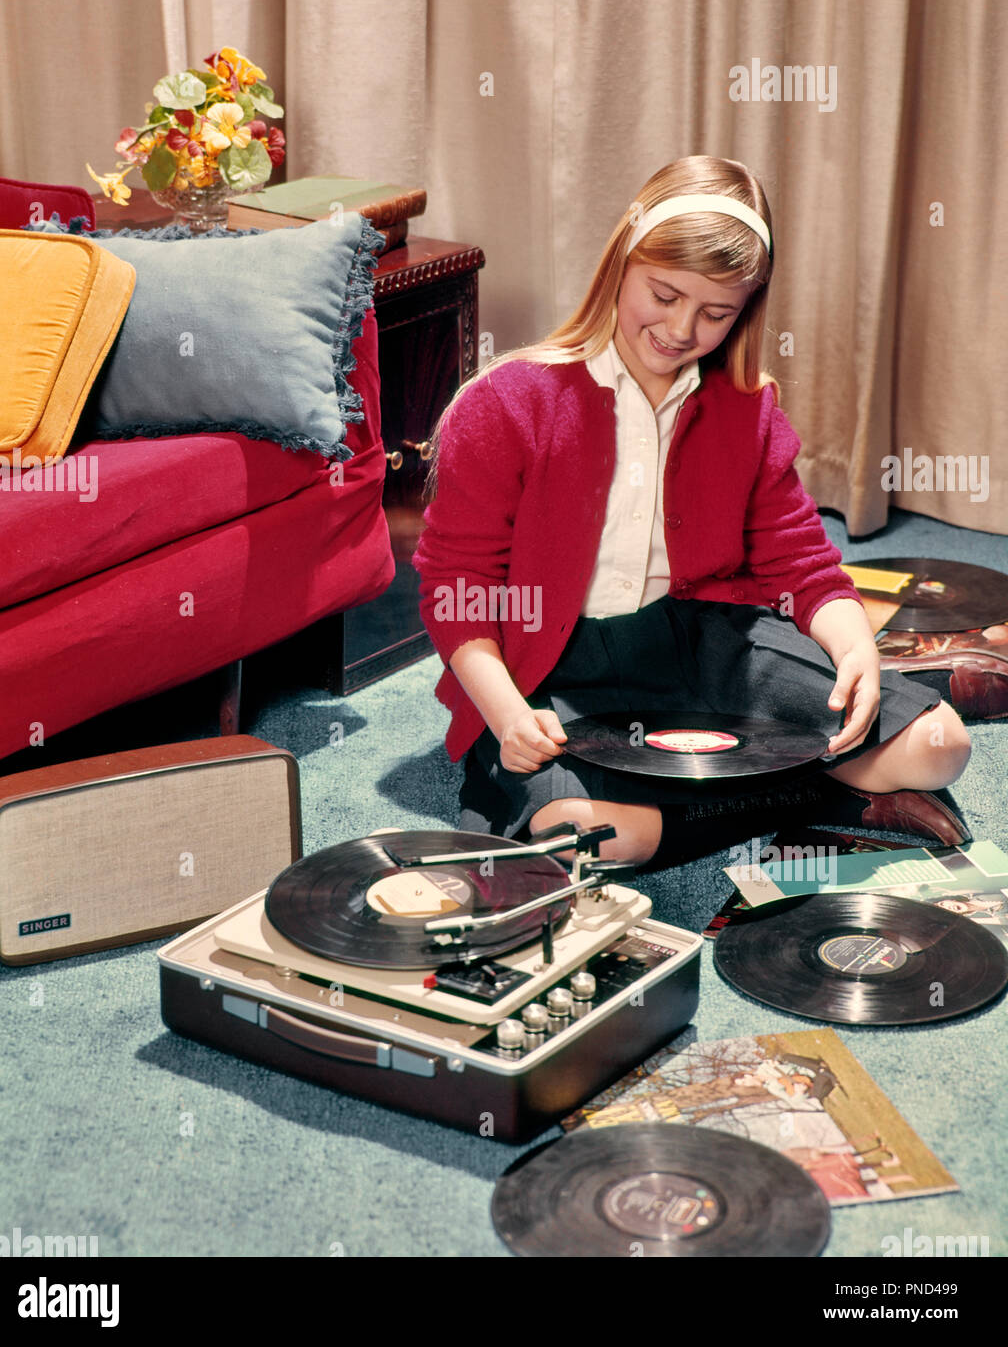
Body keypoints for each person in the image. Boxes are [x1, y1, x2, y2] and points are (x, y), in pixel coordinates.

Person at [412, 155, 971, 864]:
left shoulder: (748, 409)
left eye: (716, 313)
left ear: (745, 310)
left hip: (706, 640)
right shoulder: (504, 404)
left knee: (940, 746)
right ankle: (820, 794)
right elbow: (457, 588)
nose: (681, 328)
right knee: (579, 839)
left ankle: (777, 786)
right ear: (621, 263)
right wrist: (506, 715)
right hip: (552, 662)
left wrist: (855, 645)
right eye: (664, 294)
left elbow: (800, 563)